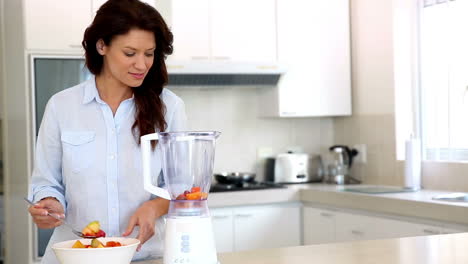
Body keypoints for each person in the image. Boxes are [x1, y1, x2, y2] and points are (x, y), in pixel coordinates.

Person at [27, 0, 187, 262]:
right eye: (130, 53)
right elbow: (47, 182)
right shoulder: (61, 106)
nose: (142, 64)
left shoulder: (170, 107)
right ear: (102, 45)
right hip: (75, 254)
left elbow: (181, 186)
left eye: (149, 53)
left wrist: (154, 206)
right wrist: (49, 205)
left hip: (143, 254)